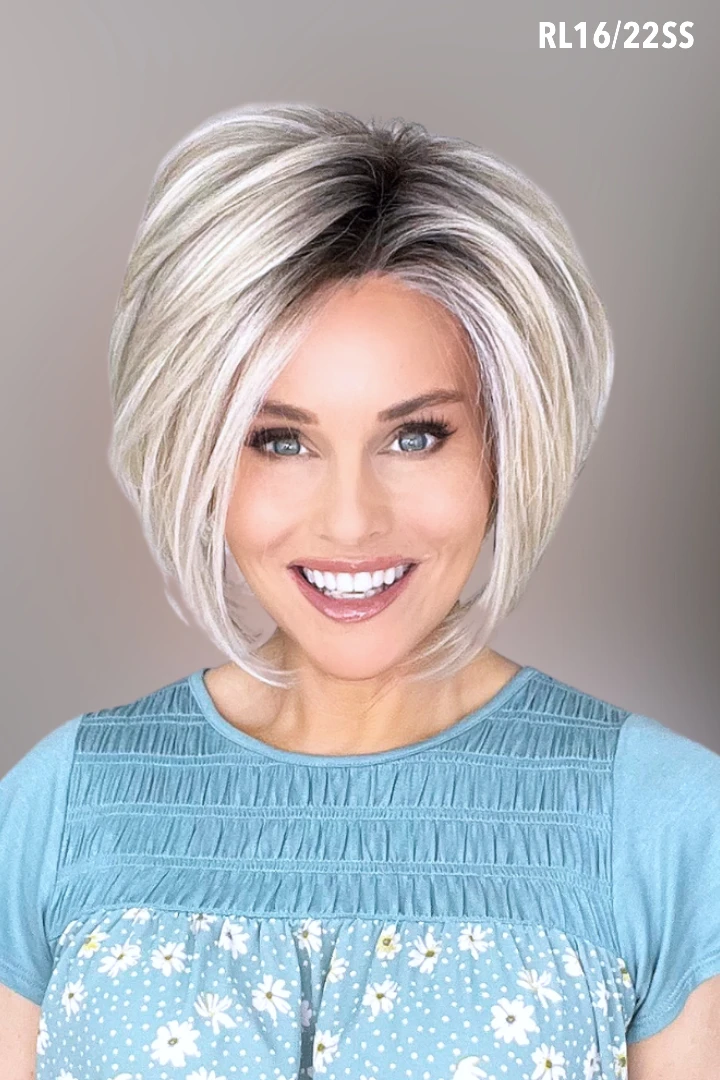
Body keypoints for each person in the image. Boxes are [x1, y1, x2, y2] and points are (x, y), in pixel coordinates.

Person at [0, 102, 718, 1080]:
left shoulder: (669, 824)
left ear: (504, 447)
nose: (350, 521)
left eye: (415, 436)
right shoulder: (58, 807)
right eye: (280, 440)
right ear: (199, 454)